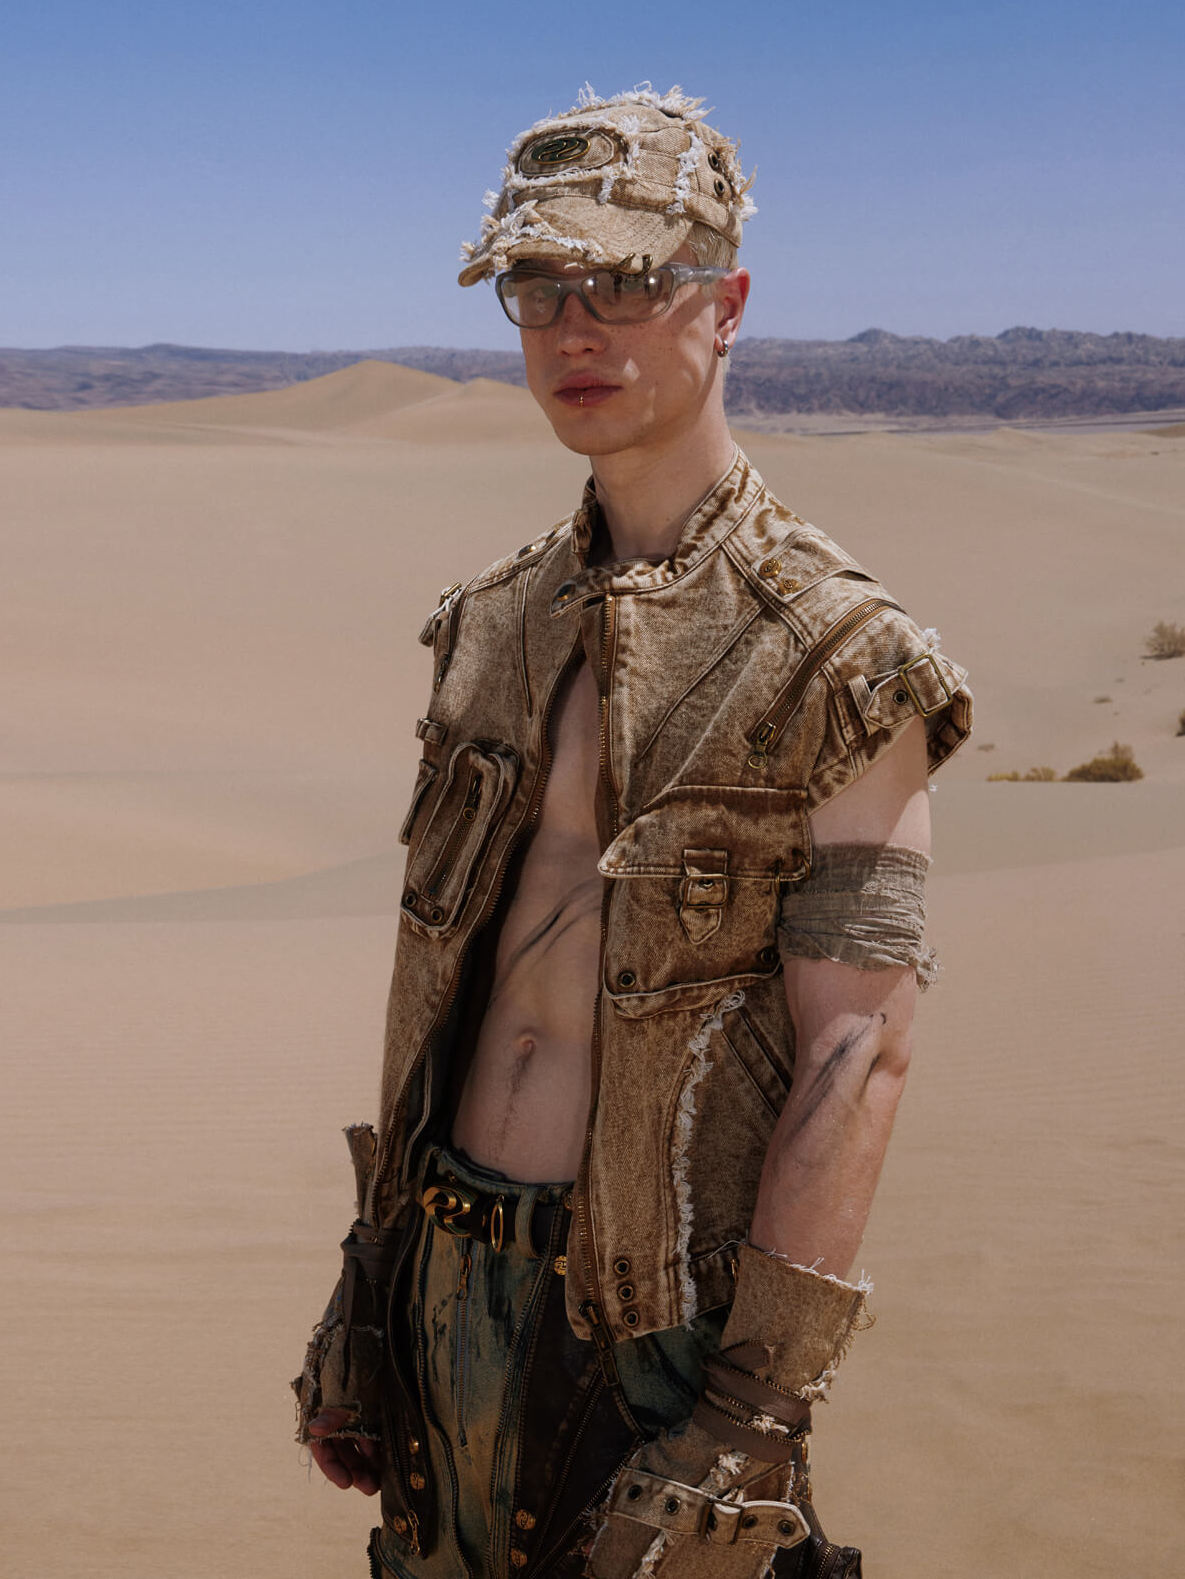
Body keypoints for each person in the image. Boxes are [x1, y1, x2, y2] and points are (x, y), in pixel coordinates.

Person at [294, 86, 971, 1579]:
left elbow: (861, 1051)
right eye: (537, 288)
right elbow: (440, 992)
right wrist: (369, 1282)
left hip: (656, 1339)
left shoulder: (837, 657)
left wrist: (753, 1415)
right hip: (438, 1286)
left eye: (623, 283)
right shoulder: (490, 627)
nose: (573, 329)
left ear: (726, 305)